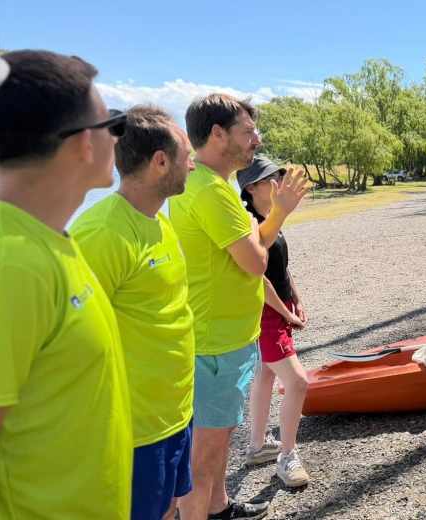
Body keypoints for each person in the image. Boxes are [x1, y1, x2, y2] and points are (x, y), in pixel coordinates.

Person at [0, 50, 132, 519]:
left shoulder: (45, 239)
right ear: (82, 144)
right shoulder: (11, 262)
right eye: (113, 124)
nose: (119, 138)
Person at [170, 94, 308, 520]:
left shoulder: (212, 184)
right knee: (204, 457)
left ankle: (219, 508)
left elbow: (252, 248)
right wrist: (279, 213)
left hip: (222, 338)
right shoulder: (210, 190)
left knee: (217, 440)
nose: (257, 139)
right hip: (215, 343)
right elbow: (255, 262)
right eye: (248, 131)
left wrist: (257, 228)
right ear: (217, 134)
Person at [70, 106, 196, 520]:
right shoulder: (101, 233)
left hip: (176, 413)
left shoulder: (159, 222)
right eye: (187, 155)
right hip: (135, 430)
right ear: (161, 161)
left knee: (171, 508)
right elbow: (70, 341)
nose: (192, 164)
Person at [238, 156, 311, 488]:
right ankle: (286, 455)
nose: (278, 185)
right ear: (251, 188)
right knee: (297, 382)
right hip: (267, 314)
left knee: (265, 375)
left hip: (280, 310)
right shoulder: (248, 223)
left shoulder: (270, 220)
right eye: (271, 180)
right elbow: (259, 281)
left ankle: (256, 446)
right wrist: (286, 313)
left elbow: (281, 270)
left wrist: (298, 298)